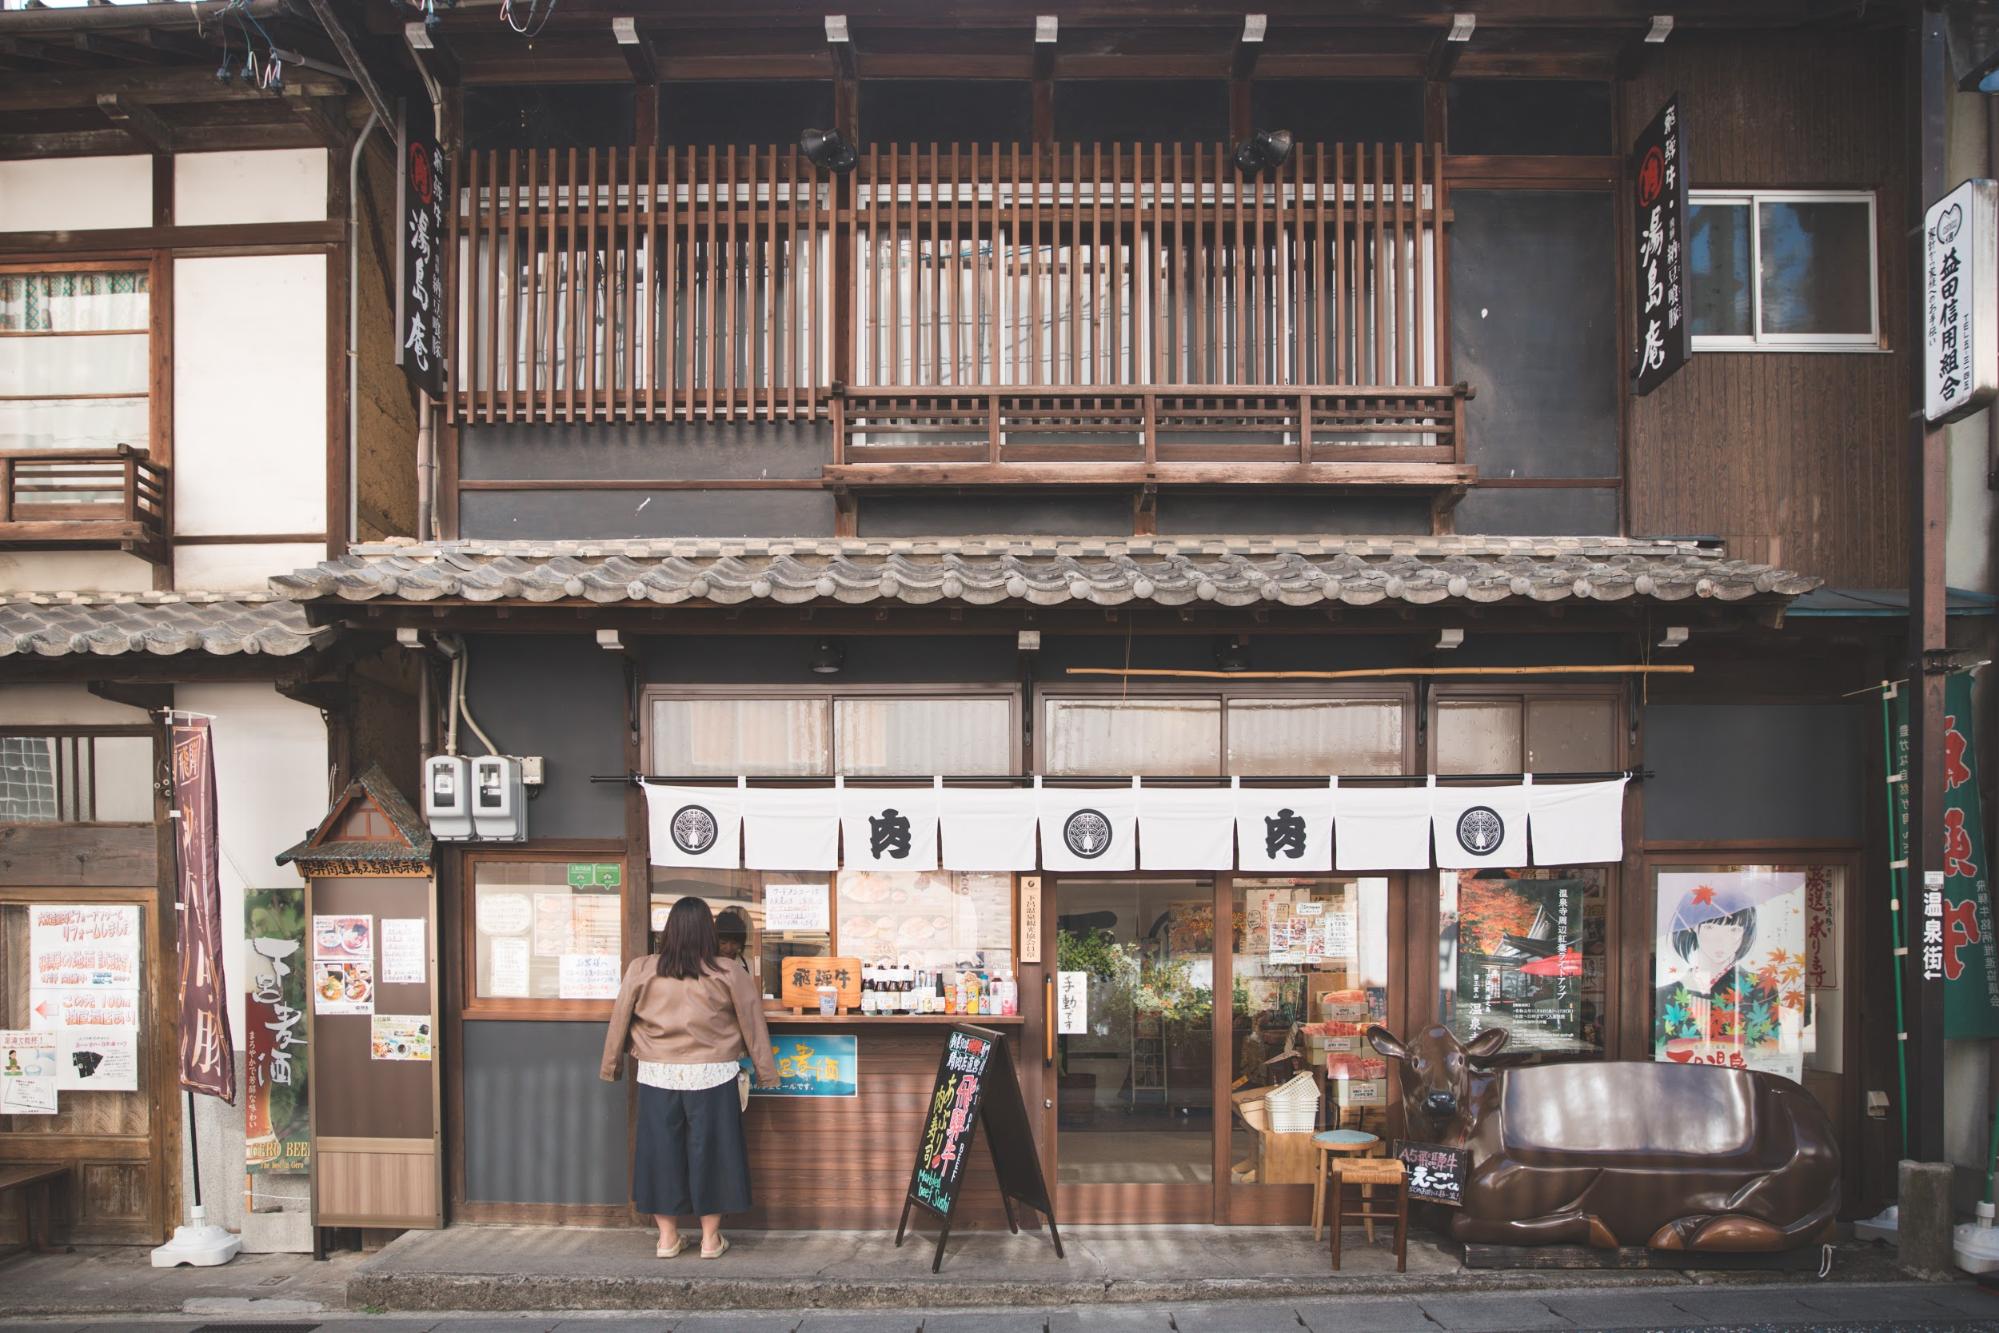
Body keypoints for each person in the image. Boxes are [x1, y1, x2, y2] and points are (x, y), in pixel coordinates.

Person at [601, 896, 778, 1260]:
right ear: (708, 932)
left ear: (669, 932)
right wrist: (766, 1071)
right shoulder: (729, 971)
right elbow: (752, 1022)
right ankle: (710, 1240)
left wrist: (611, 1065)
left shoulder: (642, 968)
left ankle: (667, 1239)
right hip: (713, 1074)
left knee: (659, 1153)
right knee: (713, 1153)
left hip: (657, 1074)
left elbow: (620, 1018)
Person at [715, 907, 751, 972]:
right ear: (715, 941)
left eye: (734, 943)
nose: (729, 948)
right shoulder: (706, 966)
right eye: (723, 943)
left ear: (741, 943)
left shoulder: (751, 966)